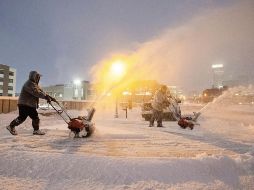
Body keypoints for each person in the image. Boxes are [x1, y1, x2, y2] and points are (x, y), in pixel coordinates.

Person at [6, 71, 56, 135]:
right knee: (34, 117)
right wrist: (46, 97)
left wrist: (50, 97)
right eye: (37, 77)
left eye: (39, 77)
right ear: (34, 77)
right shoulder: (29, 84)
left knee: (23, 117)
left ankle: (11, 126)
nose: (38, 78)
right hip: (26, 104)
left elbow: (41, 92)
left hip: (26, 104)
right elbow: (36, 92)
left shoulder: (34, 84)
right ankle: (35, 130)